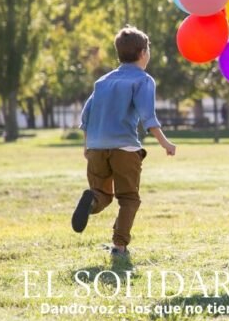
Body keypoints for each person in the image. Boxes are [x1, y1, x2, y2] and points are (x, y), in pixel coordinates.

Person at [72, 25, 176, 261]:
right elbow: (148, 117)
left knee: (102, 194)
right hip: (125, 148)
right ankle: (119, 247)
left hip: (96, 147)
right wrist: (165, 143)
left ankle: (92, 202)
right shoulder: (143, 80)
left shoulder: (103, 81)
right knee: (129, 198)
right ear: (143, 53)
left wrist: (87, 147)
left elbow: (86, 117)